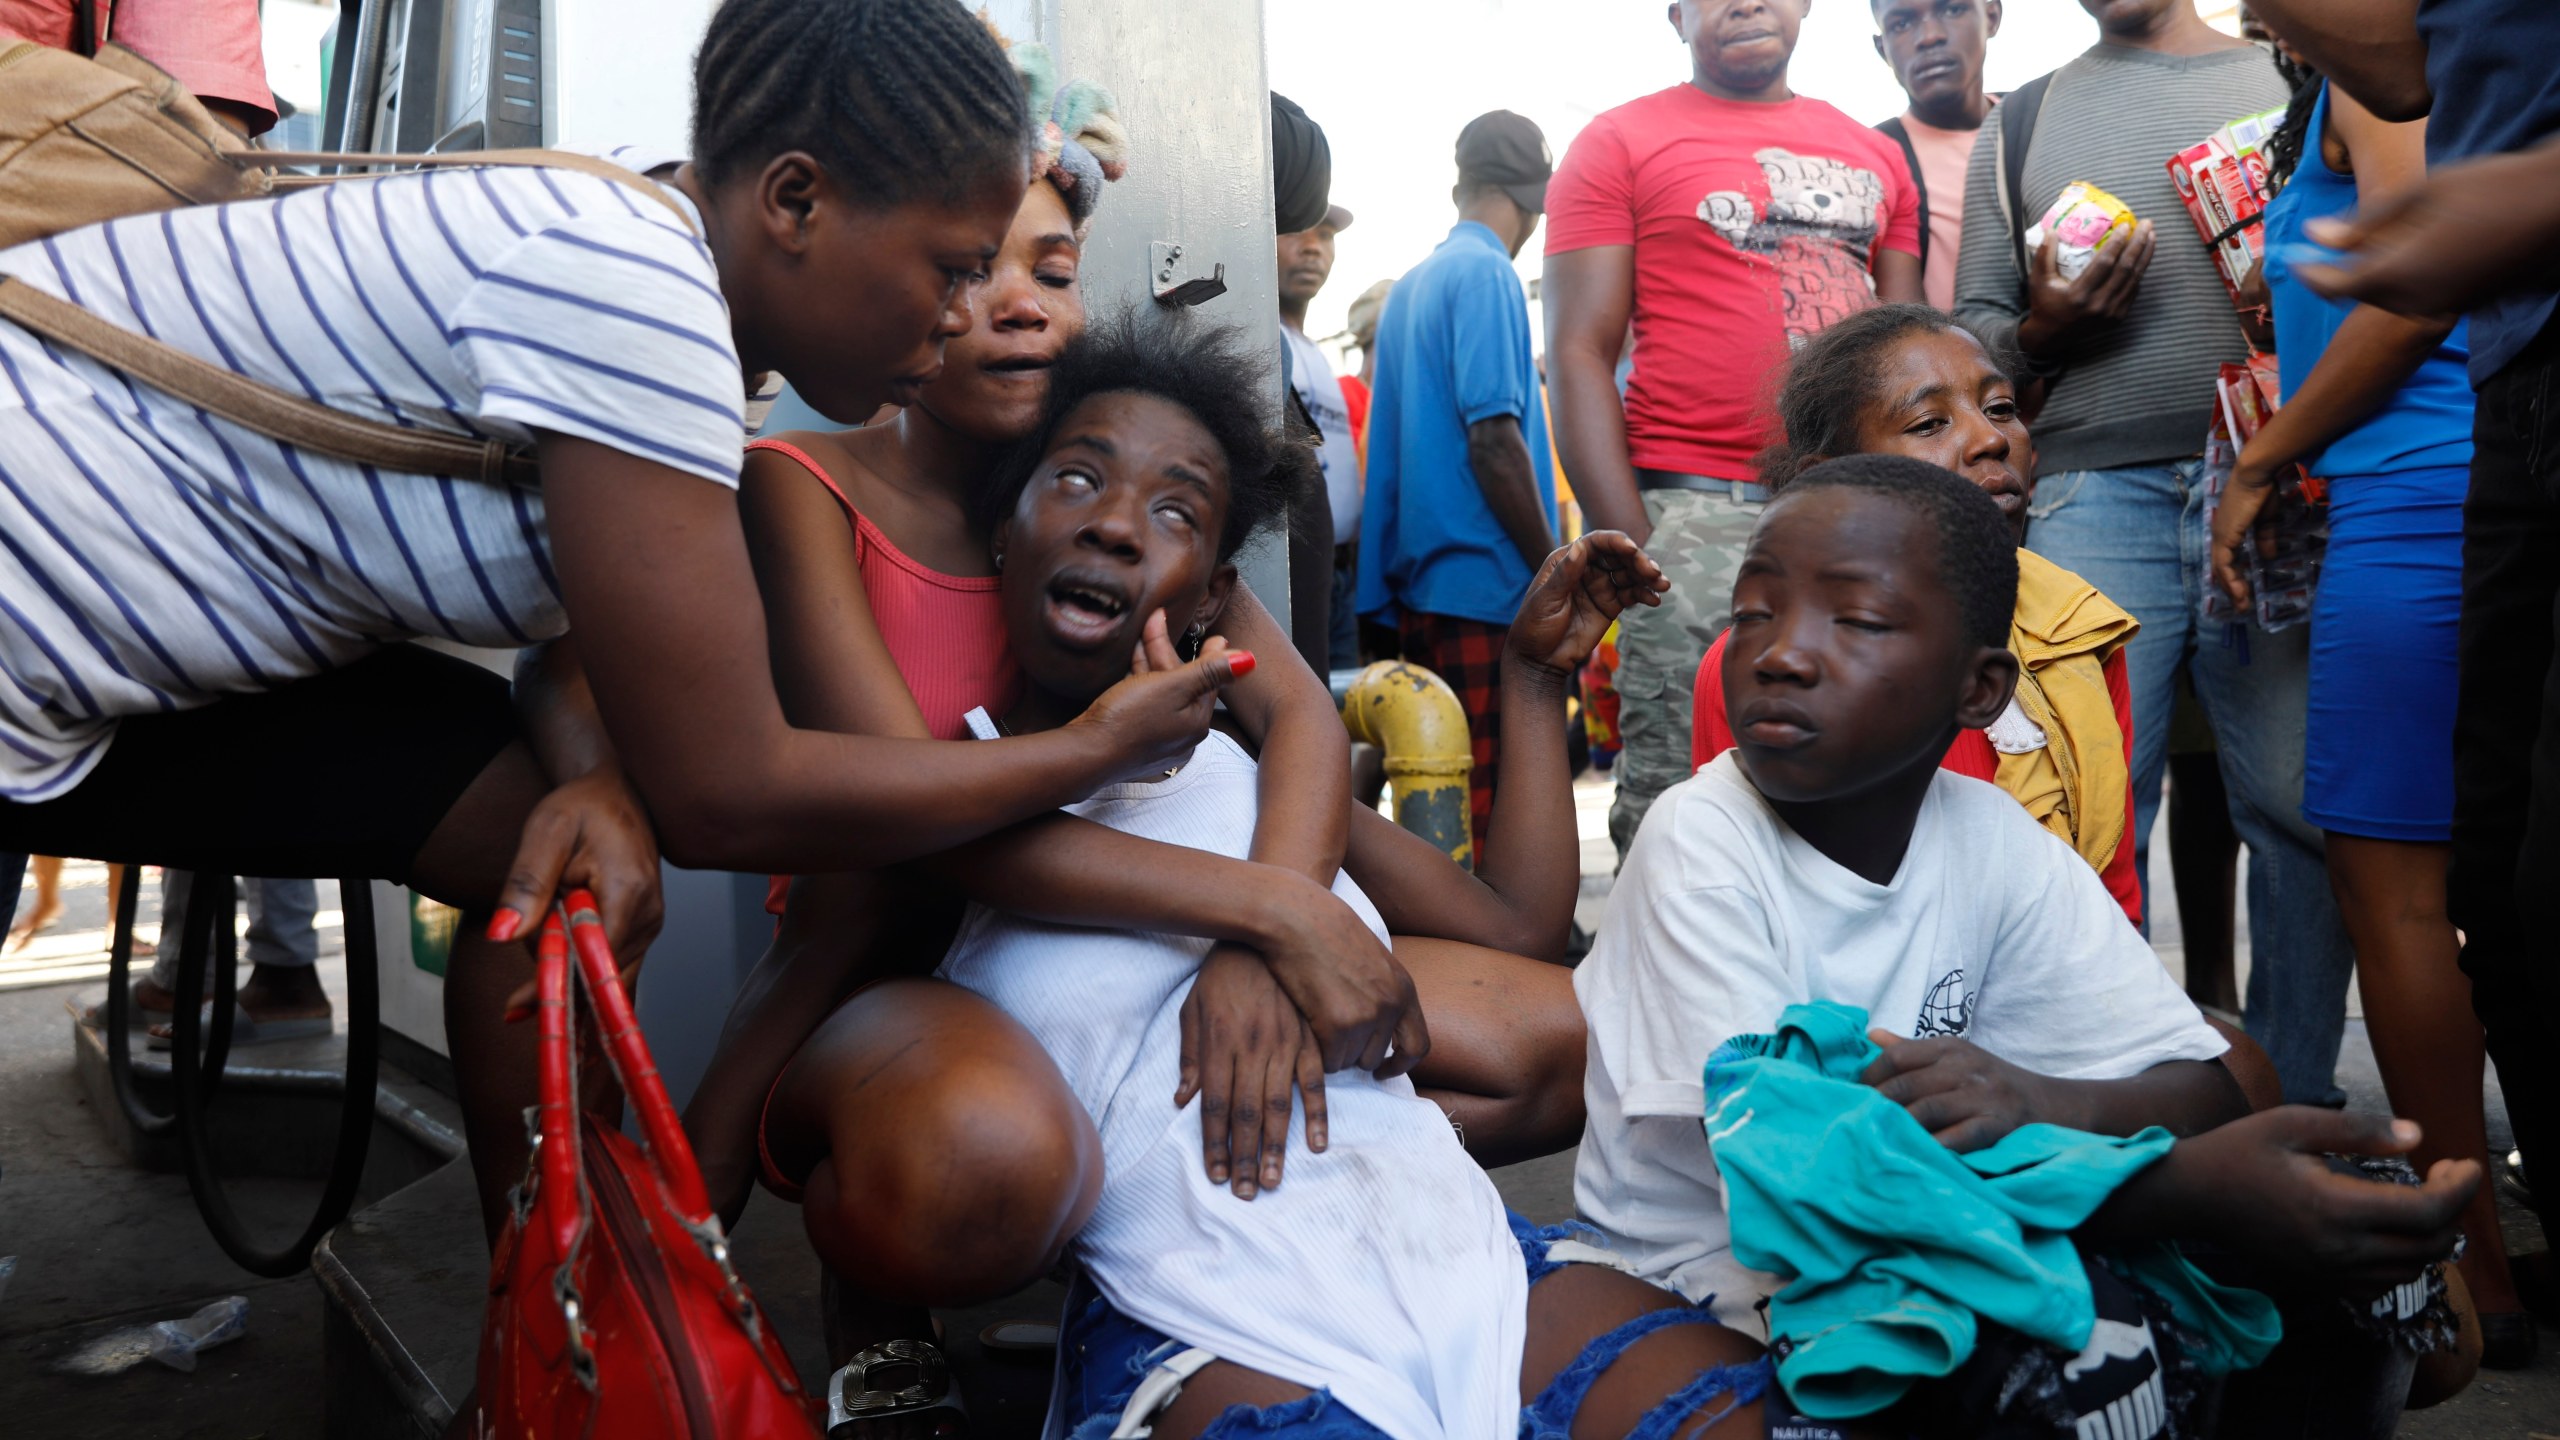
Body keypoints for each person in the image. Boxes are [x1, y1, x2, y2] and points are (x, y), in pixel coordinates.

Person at [0, 0, 1315, 1255]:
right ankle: (587, 1334)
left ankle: (567, 1331)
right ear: (795, 202)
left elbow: (600, 636)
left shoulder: (647, 241)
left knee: (540, 842)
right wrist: (1093, 752)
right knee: (557, 847)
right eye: (951, 267)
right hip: (26, 622)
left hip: (70, 672)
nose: (970, 313)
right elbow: (729, 797)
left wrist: (592, 776)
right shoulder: (637, 293)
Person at [767, 315, 1852, 1440]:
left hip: (1442, 1246)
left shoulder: (1258, 781)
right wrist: (1274, 923)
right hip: (1200, 1306)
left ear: (1211, 600)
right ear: (1005, 533)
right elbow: (962, 848)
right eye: (1077, 479)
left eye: (1173, 510)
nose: (1114, 522)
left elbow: (1517, 926)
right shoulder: (965, 797)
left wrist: (1534, 682)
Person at [1573, 454, 2483, 1435]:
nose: (1780, 654)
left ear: (1977, 688)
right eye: (1753, 611)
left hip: (1964, 1224)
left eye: (1858, 621)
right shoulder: (1699, 837)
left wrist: (2040, 1099)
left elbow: (2199, 1083)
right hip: (1737, 1284)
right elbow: (1808, 1178)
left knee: (2353, 1244)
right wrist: (2176, 1190)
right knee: (2101, 1350)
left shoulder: (1990, 835)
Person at [1950, 0, 2358, 1108]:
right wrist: (2042, 328)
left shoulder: (2294, 79)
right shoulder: (2022, 121)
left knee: (2294, 804)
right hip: (2089, 489)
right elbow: (1973, 334)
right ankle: (2112, 1109)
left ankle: (2291, 1102)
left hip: (2278, 479)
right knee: (2082, 796)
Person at [2210, 22, 2526, 1364]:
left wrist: (2263, 456)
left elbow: (2422, 282)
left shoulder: (2383, 77)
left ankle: (2473, 1274)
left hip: (2424, 495)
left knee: (2390, 886)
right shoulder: (2343, 89)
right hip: (2432, 487)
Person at [1542, 0, 1924, 861]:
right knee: (1683, 810)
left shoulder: (1876, 154)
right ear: (1675, 13)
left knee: (1854, 792)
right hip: (1696, 518)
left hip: (1854, 517)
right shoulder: (1619, 142)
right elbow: (1575, 352)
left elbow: (1910, 352)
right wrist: (1637, 543)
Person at [1687, 305, 2143, 927]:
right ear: (1836, 484)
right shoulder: (1766, 667)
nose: (1989, 439)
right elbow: (1743, 917)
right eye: (1930, 422)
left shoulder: (2078, 632)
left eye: (2002, 408)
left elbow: (2111, 898)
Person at [1354, 109, 1558, 859]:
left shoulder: (1410, 287)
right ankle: (1494, 969)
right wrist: (1555, 567)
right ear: (1530, 201)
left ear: (1461, 186)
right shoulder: (1488, 273)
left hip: (1420, 594)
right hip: (1487, 589)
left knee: (1438, 805)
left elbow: (1391, 458)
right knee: (1491, 817)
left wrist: (1374, 595)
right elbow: (1495, 442)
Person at [1277, 203, 1365, 672]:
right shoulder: (1264, 339)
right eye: (1297, 230)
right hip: (1295, 576)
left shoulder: (1316, 353)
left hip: (1340, 576)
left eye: (1326, 235)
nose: (1313, 247)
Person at [1870, 0, 2002, 312]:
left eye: (1952, 9)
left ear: (1992, 15)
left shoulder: (2039, 120)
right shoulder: (1874, 159)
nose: (1929, 36)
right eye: (1901, 24)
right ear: (1882, 49)